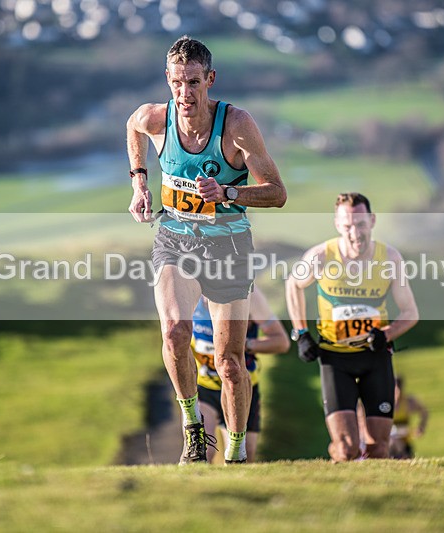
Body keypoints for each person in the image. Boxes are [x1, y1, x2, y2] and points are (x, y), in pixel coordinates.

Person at [126, 36, 287, 464]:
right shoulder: (155, 118)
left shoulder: (236, 125)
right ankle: (193, 427)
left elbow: (277, 193)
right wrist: (140, 183)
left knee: (229, 364)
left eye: (194, 82)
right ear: (168, 80)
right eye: (177, 83)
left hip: (229, 246)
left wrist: (230, 193)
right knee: (175, 332)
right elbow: (132, 125)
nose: (185, 93)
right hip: (174, 241)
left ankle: (235, 451)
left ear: (210, 80)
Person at [285, 192, 419, 462]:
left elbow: (411, 312)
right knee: (346, 447)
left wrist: (386, 335)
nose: (354, 233)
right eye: (347, 226)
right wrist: (301, 334)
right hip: (335, 359)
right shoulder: (322, 256)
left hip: (375, 358)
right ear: (337, 225)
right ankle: (337, 469)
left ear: (372, 221)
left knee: (378, 448)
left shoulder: (390, 258)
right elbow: (292, 284)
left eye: (360, 225)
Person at [192, 286, 290, 463]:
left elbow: (281, 342)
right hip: (206, 387)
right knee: (202, 452)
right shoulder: (189, 293)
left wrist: (239, 346)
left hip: (242, 390)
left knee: (245, 458)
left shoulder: (250, 294)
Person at [388, 376, 429, 459]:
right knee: (393, 442)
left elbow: (424, 411)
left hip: (405, 441)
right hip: (389, 442)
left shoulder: (408, 402)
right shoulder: (386, 402)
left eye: (399, 389)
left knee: (398, 444)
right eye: (395, 389)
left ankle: (402, 455)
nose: (398, 392)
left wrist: (421, 427)